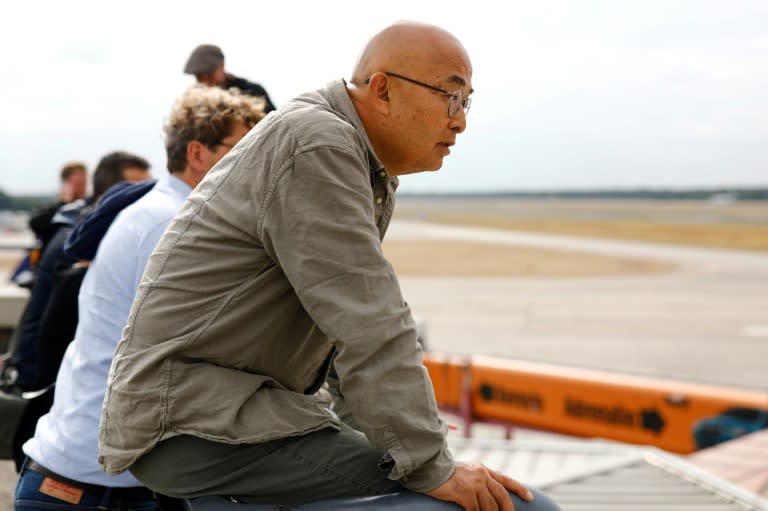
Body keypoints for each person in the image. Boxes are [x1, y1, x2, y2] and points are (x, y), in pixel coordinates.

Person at [98, 22, 560, 511]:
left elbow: (335, 329)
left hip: (213, 414)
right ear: (382, 90)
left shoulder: (345, 153)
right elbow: (370, 322)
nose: (460, 121)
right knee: (522, 507)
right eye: (451, 97)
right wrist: (431, 463)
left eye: (466, 103)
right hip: (199, 424)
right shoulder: (318, 144)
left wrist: (379, 433)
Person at [14, 85, 265, 511]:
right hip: (95, 490)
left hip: (90, 476)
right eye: (245, 148)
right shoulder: (172, 227)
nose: (258, 164)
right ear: (198, 154)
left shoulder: (156, 211)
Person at [8, 152, 152, 392]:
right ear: (113, 194)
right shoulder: (82, 242)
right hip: (48, 381)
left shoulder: (78, 228)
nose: (144, 201)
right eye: (137, 191)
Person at [183, 43, 276, 113]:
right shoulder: (192, 102)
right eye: (199, 77)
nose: (205, 82)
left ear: (222, 66)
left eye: (208, 75)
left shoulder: (253, 91)